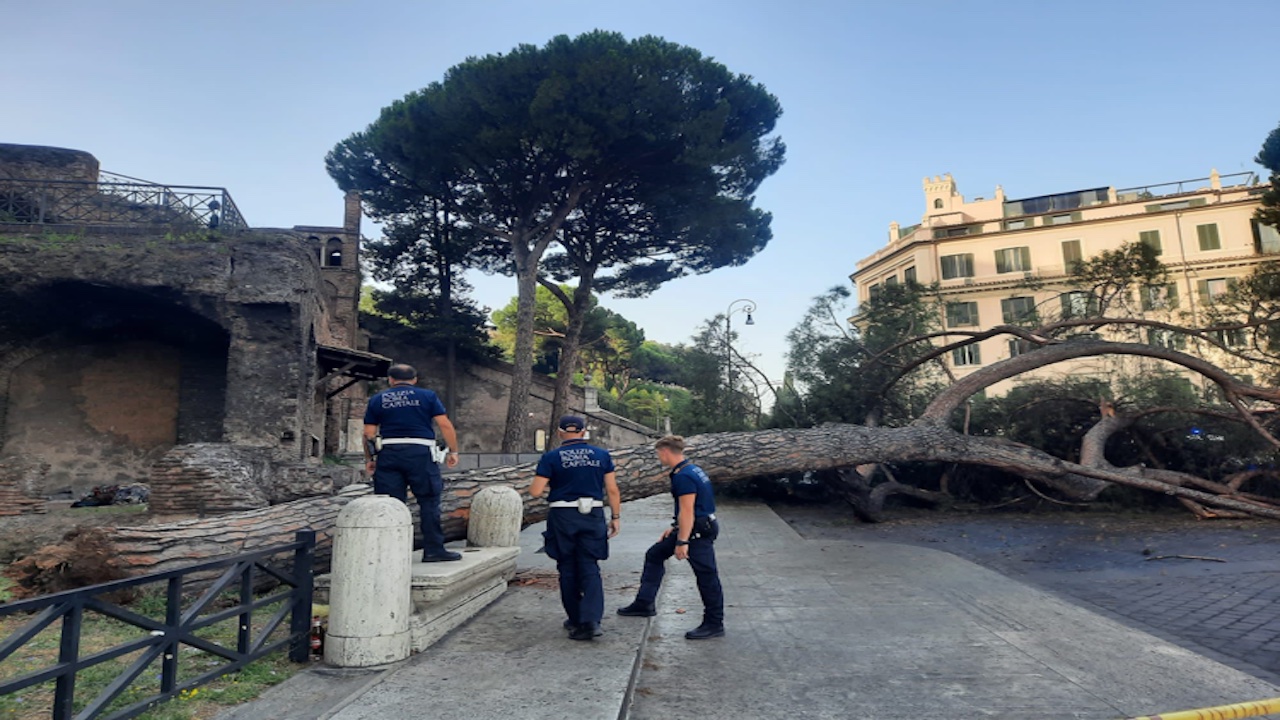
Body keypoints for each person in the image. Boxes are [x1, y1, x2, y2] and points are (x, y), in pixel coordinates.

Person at [617, 435, 724, 640]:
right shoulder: (692, 469)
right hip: (698, 524)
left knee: (707, 576)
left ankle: (714, 623)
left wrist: (682, 540)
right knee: (655, 554)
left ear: (665, 451)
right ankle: (644, 603)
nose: (658, 457)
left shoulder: (683, 476)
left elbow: (688, 510)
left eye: (658, 453)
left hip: (697, 531)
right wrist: (675, 527)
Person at [529, 415, 622, 641]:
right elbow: (612, 490)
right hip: (593, 514)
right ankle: (591, 620)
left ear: (560, 433)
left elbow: (535, 491)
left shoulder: (551, 457)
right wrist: (616, 517)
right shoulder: (602, 455)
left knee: (568, 567)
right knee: (590, 566)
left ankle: (576, 619)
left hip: (563, 516)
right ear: (583, 432)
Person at [363, 363, 462, 562]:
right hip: (421, 452)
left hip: (389, 452)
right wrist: (453, 450)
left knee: (389, 504)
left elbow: (368, 433)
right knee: (429, 502)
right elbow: (444, 424)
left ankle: (390, 553)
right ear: (415, 379)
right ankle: (434, 550)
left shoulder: (377, 399)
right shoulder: (427, 396)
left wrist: (370, 458)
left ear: (390, 380)